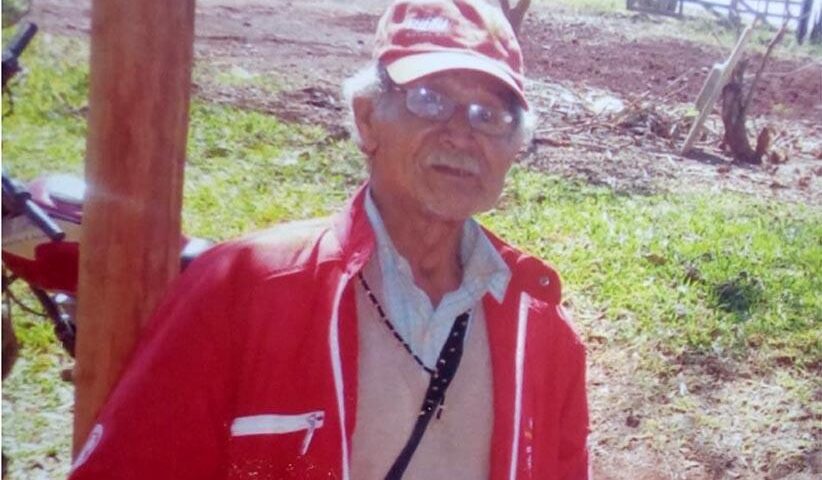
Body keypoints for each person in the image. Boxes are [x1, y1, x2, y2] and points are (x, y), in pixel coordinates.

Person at [68, 0, 589, 478]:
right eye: (429, 100)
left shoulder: (542, 330)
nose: (460, 134)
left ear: (513, 149)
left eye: (489, 116)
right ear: (367, 119)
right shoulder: (244, 290)